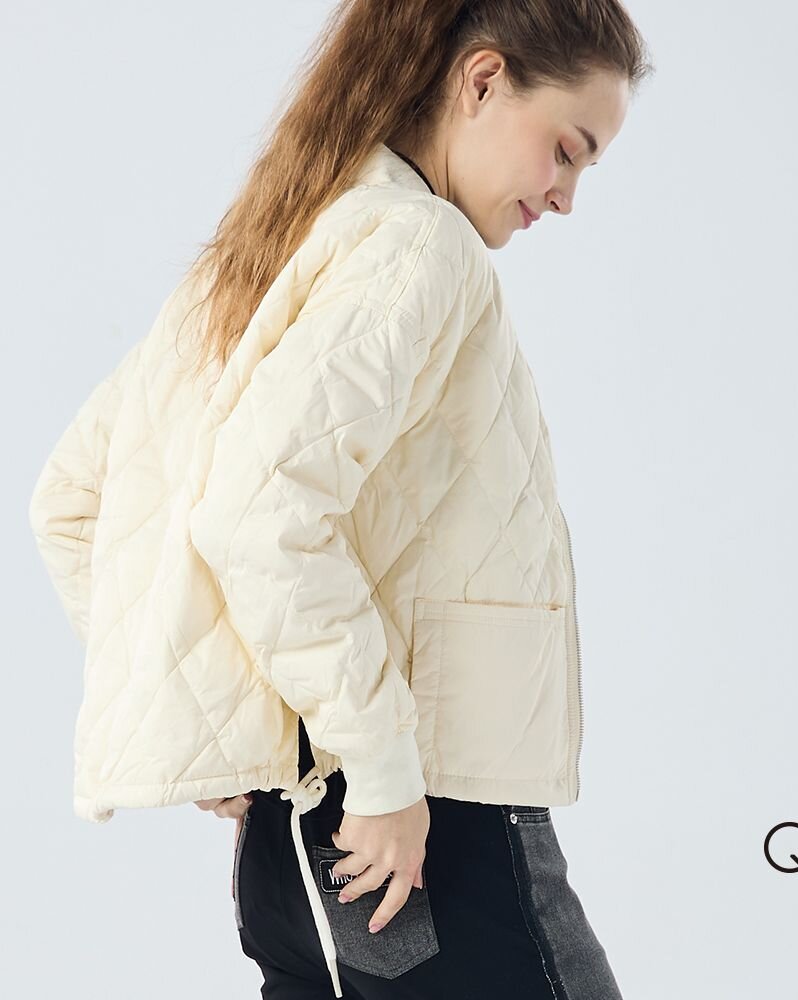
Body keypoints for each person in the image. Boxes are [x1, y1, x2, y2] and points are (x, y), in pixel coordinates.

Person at [27, 0, 653, 997]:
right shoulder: (419, 244)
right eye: (567, 149)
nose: (567, 194)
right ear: (483, 81)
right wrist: (386, 775)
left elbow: (71, 500)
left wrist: (233, 725)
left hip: (291, 854)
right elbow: (256, 511)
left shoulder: (277, 237)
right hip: (418, 839)